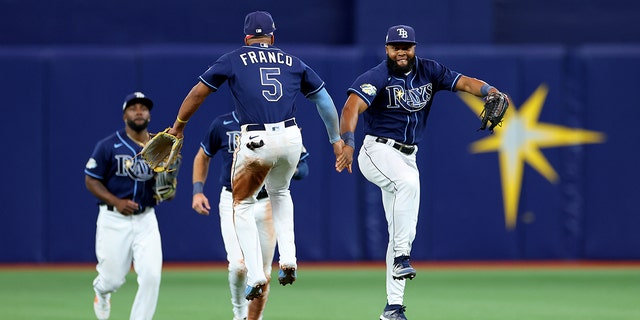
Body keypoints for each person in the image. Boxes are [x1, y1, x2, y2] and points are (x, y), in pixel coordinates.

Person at [166, 11, 344, 301]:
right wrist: (336, 140)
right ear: (272, 37)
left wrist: (179, 126)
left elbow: (199, 93)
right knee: (281, 193)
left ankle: (256, 273)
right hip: (290, 137)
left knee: (242, 204)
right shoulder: (293, 61)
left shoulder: (234, 58)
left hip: (256, 138)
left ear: (246, 38)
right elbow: (323, 98)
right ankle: (288, 259)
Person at [336, 25, 508, 320]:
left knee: (401, 225)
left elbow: (465, 83)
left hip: (408, 156)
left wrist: (489, 90)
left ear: (415, 47)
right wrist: (348, 143)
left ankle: (393, 307)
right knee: (407, 188)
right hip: (377, 151)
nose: (402, 51)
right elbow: (352, 108)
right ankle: (403, 257)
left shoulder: (430, 71)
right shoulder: (377, 76)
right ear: (386, 49)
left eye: (407, 46)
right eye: (396, 47)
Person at [192, 110, 309, 320]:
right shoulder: (222, 123)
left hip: (266, 203)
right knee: (238, 266)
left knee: (262, 274)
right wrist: (197, 191)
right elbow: (202, 156)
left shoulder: (278, 125)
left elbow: (303, 168)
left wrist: (285, 169)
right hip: (233, 200)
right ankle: (239, 315)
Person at [85, 92, 175, 320]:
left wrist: (166, 187)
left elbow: (165, 189)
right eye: (133, 108)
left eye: (143, 108)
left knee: (152, 277)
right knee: (112, 279)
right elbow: (91, 179)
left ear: (149, 115)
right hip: (114, 219)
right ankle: (101, 292)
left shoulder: (159, 147)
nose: (138, 111)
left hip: (146, 219)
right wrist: (116, 201)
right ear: (125, 114)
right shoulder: (108, 146)